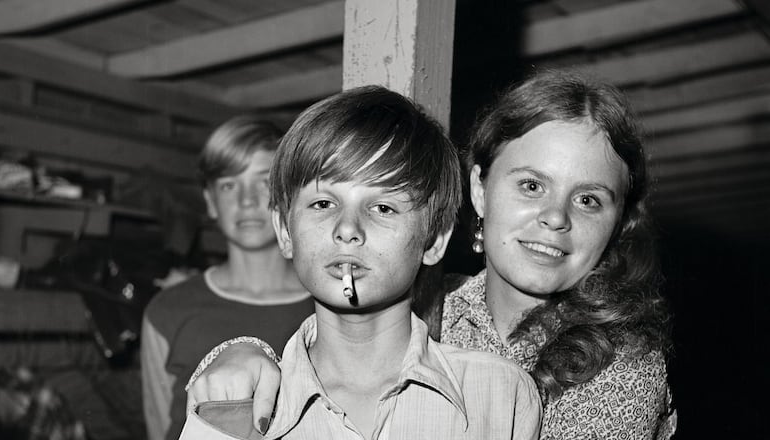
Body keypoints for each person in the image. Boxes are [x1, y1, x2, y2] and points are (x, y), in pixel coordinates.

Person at [185, 70, 675, 439]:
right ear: (479, 190)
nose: (556, 217)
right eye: (531, 185)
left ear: (617, 223)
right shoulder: (437, 299)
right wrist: (241, 353)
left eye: (589, 199)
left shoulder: (623, 368)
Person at [179, 85, 542, 439]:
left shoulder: (501, 395)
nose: (347, 229)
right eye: (323, 204)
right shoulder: (241, 405)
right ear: (285, 231)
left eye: (383, 207)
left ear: (433, 240)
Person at [141, 118, 314, 440]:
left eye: (263, 181)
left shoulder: (330, 305)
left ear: (288, 196)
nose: (246, 200)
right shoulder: (167, 310)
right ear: (210, 201)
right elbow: (158, 425)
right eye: (229, 185)